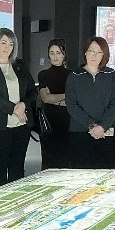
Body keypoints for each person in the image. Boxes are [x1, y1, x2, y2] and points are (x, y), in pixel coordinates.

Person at [0, 28, 36, 189]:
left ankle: (17, 199)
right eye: (3, 42)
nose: (7, 47)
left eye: (11, 44)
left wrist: (23, 104)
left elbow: (32, 90)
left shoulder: (20, 65)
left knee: (17, 167)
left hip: (22, 125)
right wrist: (14, 109)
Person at [65, 36, 115, 169]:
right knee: (82, 171)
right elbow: (72, 105)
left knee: (107, 172)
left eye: (99, 52)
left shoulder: (111, 75)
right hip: (80, 132)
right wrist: (91, 126)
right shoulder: (74, 76)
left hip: (107, 132)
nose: (94, 55)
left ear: (104, 55)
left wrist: (102, 126)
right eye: (91, 51)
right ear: (85, 52)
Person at [37, 38, 71, 169]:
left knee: (65, 159)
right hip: (48, 121)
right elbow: (46, 98)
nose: (55, 57)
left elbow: (74, 100)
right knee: (48, 160)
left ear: (64, 54)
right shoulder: (43, 74)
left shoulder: (72, 75)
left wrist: (54, 98)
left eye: (58, 53)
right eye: (52, 53)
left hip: (67, 121)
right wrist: (65, 97)